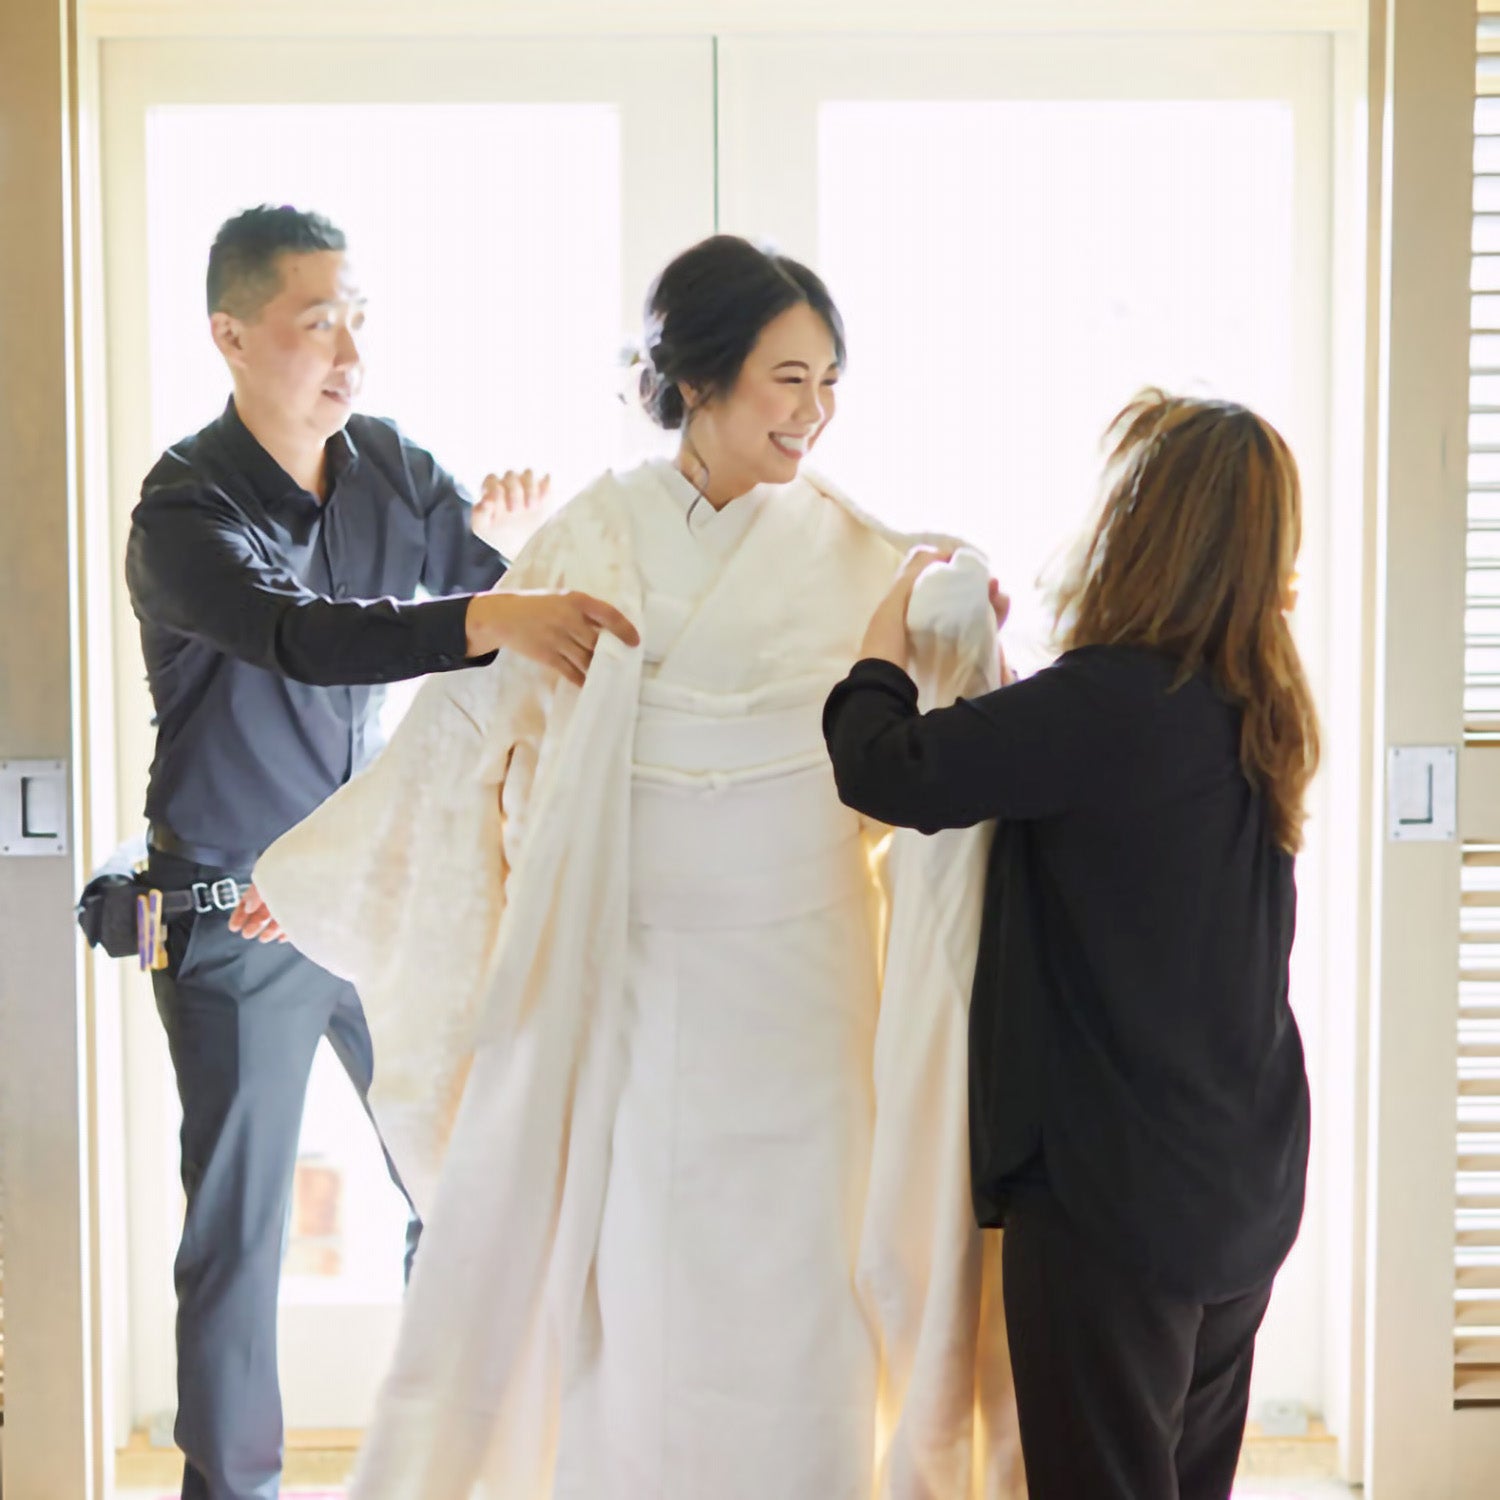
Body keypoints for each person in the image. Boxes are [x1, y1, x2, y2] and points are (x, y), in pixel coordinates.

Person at [252, 234, 1024, 1499]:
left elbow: (940, 701)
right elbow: (470, 722)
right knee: (638, 1283)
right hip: (640, 973)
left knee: (804, 1271)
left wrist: (964, 619)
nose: (815, 412)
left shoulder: (863, 553)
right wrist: (328, 869)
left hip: (809, 980)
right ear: (699, 380)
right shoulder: (597, 535)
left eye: (830, 382)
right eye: (788, 380)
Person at [124, 203, 636, 1500]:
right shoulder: (183, 511)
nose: (350, 350)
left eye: (360, 316)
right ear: (232, 336)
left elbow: (495, 596)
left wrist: (515, 551)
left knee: (456, 1182)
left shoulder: (390, 467)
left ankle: (441, 1466)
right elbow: (306, 636)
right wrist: (490, 606)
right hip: (232, 911)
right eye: (318, 322)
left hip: (377, 896)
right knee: (238, 1235)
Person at [822, 390, 1319, 1500]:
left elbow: (886, 767)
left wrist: (882, 645)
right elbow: (1072, 770)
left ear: (1141, 529)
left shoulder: (1110, 705)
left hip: (1119, 1200)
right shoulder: (1256, 701)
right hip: (1242, 1182)